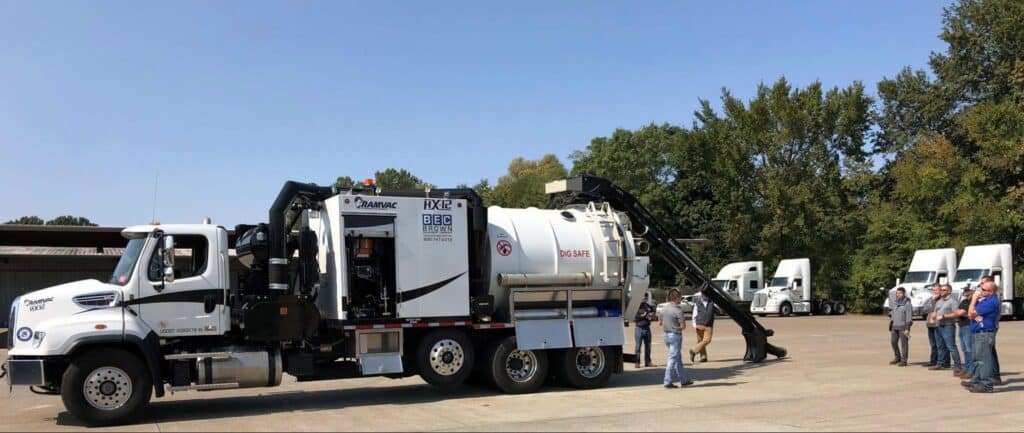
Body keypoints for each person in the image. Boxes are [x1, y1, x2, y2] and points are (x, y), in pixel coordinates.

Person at [962, 277, 1000, 393]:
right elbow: (971, 315)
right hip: (978, 332)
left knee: (984, 360)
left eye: (983, 289)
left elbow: (970, 312)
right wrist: (974, 314)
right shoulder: (985, 300)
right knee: (977, 359)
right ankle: (977, 381)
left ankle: (986, 385)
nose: (980, 291)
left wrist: (973, 299)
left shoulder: (992, 301)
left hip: (984, 333)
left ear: (991, 291)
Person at [658, 288, 693, 388]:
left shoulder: (664, 309)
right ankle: (667, 381)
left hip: (666, 335)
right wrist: (676, 326)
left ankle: (683, 379)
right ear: (676, 298)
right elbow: (683, 326)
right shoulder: (678, 310)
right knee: (672, 358)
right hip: (675, 336)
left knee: (678, 358)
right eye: (680, 298)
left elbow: (660, 322)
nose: (681, 299)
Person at [929, 283, 961, 372]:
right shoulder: (939, 301)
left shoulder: (953, 301)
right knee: (940, 346)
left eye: (944, 290)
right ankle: (940, 363)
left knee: (951, 346)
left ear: (949, 291)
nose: (941, 291)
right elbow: (935, 311)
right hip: (939, 325)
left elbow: (956, 313)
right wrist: (933, 317)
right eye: (941, 289)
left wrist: (944, 316)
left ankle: (958, 365)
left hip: (948, 326)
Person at [954, 285, 976, 378]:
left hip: (969, 326)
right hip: (961, 325)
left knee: (969, 349)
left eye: (967, 290)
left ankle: (971, 370)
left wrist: (964, 313)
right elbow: (957, 311)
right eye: (965, 290)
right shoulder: (963, 301)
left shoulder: (975, 302)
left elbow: (974, 314)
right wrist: (960, 313)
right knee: (964, 349)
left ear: (973, 291)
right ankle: (966, 368)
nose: (965, 292)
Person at [689, 291, 716, 363]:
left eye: (706, 294)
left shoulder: (713, 302)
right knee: (700, 341)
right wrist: (694, 324)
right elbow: (694, 314)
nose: (705, 296)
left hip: (709, 325)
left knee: (707, 340)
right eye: (703, 294)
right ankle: (703, 357)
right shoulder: (697, 303)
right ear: (701, 295)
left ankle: (693, 350)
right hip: (699, 324)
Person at [889, 287, 913, 366]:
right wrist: (891, 324)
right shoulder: (895, 302)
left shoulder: (907, 304)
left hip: (903, 326)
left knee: (904, 344)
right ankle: (897, 357)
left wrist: (907, 328)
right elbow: (893, 314)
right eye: (897, 293)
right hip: (894, 326)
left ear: (904, 294)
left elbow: (909, 317)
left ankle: (904, 360)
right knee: (893, 342)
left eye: (900, 293)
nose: (898, 294)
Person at [633, 293, 655, 368]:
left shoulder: (649, 306)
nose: (644, 298)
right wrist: (643, 316)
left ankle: (648, 362)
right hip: (639, 328)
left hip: (647, 328)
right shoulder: (636, 306)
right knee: (638, 347)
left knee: (648, 346)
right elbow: (634, 318)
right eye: (643, 297)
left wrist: (651, 316)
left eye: (645, 297)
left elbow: (652, 315)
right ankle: (637, 362)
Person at [922, 284, 942, 367]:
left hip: (939, 324)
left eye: (936, 290)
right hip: (930, 324)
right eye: (933, 290)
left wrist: (933, 302)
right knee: (933, 344)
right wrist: (931, 301)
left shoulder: (942, 300)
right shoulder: (930, 299)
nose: (935, 292)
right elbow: (925, 309)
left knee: (940, 344)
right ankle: (933, 361)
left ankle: (941, 362)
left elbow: (938, 309)